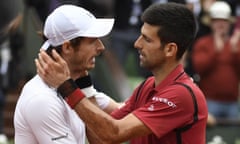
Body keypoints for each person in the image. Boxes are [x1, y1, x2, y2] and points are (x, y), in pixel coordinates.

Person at [36, 3, 208, 144]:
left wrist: (67, 86)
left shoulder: (182, 94)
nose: (137, 44)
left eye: (147, 39)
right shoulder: (147, 86)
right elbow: (100, 137)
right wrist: (84, 83)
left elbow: (113, 133)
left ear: (170, 49)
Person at [14, 5, 119, 144]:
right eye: (93, 41)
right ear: (67, 47)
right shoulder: (42, 99)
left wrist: (86, 88)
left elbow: (126, 113)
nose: (101, 47)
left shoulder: (75, 86)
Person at [192, 1, 240, 120]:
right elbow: (199, 68)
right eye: (217, 20)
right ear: (211, 23)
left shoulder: (235, 44)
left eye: (224, 21)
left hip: (232, 103)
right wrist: (215, 51)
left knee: (233, 137)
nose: (220, 24)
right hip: (209, 101)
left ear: (229, 23)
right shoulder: (203, 43)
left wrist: (235, 52)